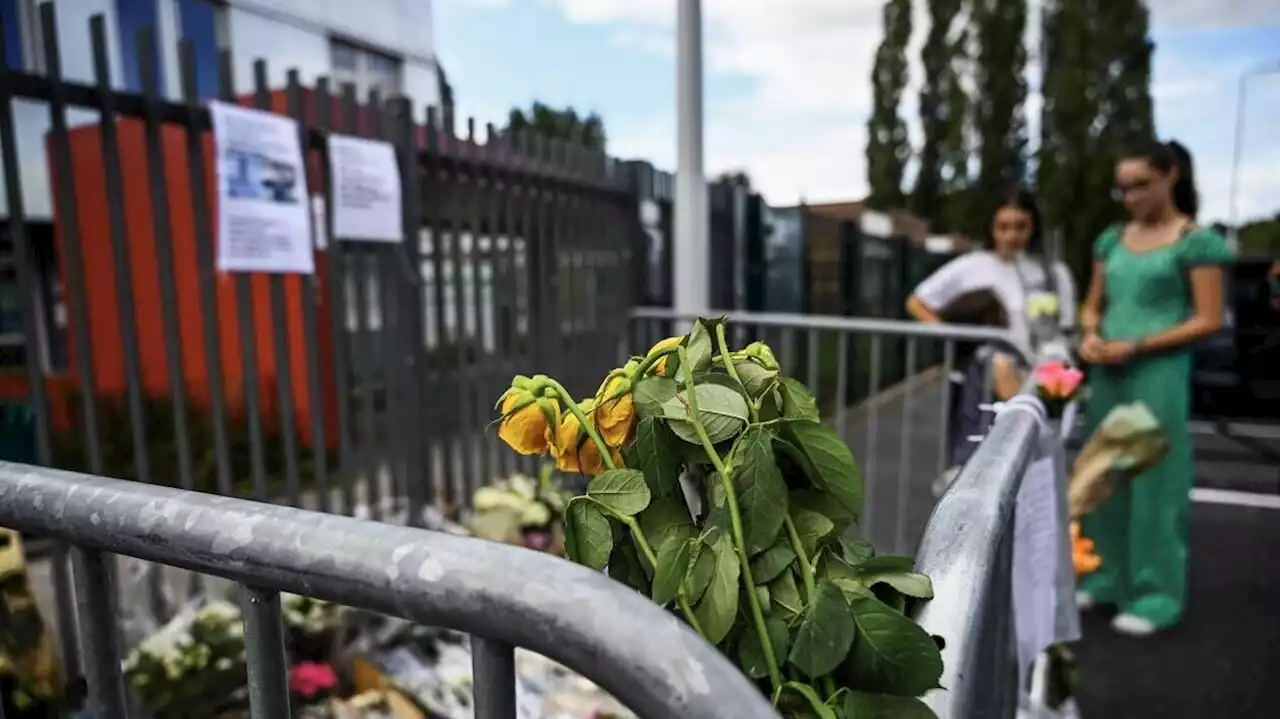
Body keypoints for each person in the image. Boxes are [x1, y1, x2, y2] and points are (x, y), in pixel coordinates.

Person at [1076, 140, 1234, 636]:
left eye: (1141, 184)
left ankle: (1156, 595)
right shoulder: (1111, 239)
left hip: (1158, 372)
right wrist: (1090, 335)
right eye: (1122, 187)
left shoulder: (1195, 240)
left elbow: (1209, 319)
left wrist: (1138, 344)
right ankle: (1100, 577)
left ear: (1171, 176)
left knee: (1154, 482)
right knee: (1103, 472)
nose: (1130, 196)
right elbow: (1093, 304)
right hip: (1109, 371)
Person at [907, 187, 1078, 356]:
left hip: (1042, 370)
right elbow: (916, 302)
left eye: (1021, 226)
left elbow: (1066, 328)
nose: (1011, 236)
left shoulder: (1055, 273)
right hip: (988, 373)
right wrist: (950, 337)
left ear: (1033, 227)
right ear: (992, 228)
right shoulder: (971, 265)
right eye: (1003, 227)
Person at [929, 288, 1029, 496]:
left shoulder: (966, 359)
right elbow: (1015, 403)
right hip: (988, 462)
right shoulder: (995, 356)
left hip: (967, 458)